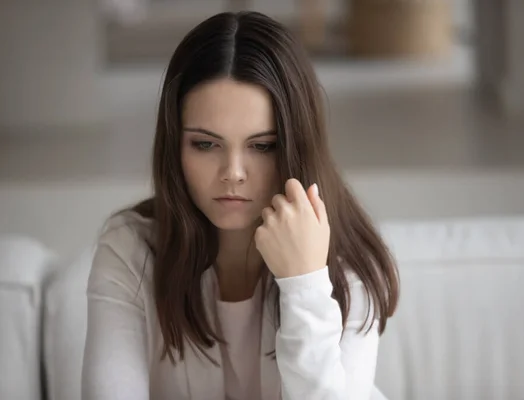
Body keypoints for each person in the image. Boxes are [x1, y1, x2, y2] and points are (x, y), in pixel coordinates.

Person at [81, 10, 399, 400]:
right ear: (175, 145)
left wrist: (305, 285)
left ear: (296, 148)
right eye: (205, 144)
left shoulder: (349, 263)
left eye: (262, 146)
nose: (233, 173)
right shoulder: (130, 249)